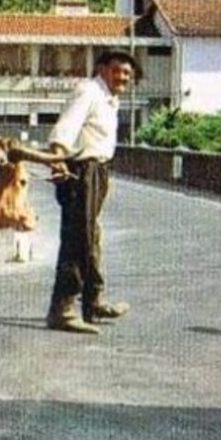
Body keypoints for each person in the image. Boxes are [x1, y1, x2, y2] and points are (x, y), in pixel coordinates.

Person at [44, 48, 137, 334]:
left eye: (128, 74)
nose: (123, 77)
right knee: (77, 239)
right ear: (102, 69)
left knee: (92, 236)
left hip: (98, 171)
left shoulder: (109, 99)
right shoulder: (88, 91)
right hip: (81, 171)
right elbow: (66, 127)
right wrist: (58, 158)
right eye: (118, 71)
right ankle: (64, 308)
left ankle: (93, 301)